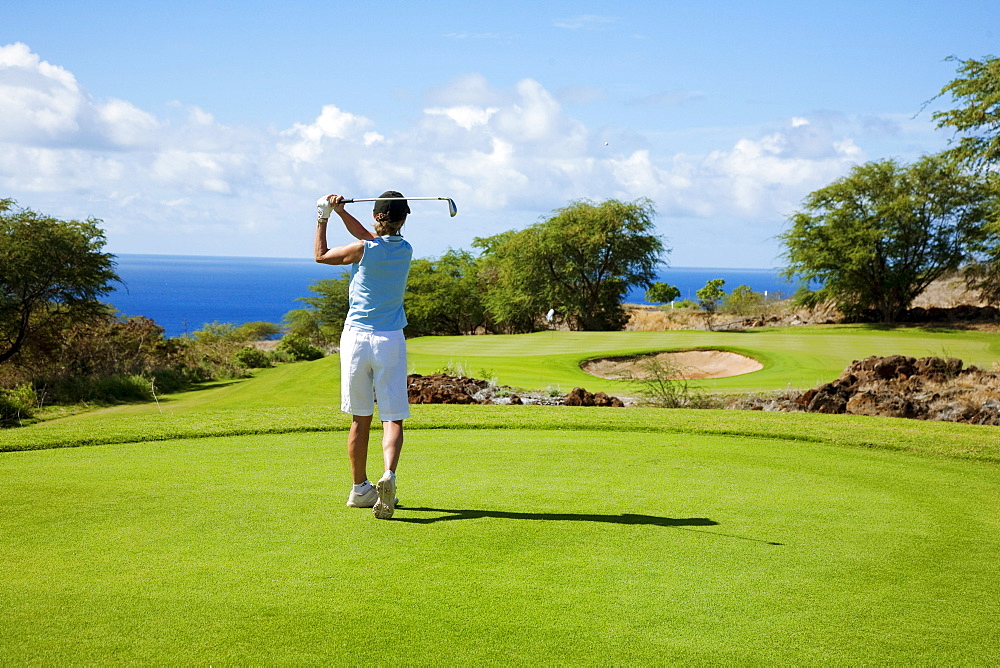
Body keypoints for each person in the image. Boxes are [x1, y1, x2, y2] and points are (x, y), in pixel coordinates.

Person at [314, 191, 413, 520]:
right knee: (392, 417)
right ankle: (389, 476)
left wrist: (324, 216)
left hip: (356, 340)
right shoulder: (406, 251)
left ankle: (360, 489)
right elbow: (373, 238)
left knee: (360, 419)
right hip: (390, 341)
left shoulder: (362, 250)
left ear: (376, 217)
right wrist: (342, 213)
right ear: (404, 219)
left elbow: (321, 255)